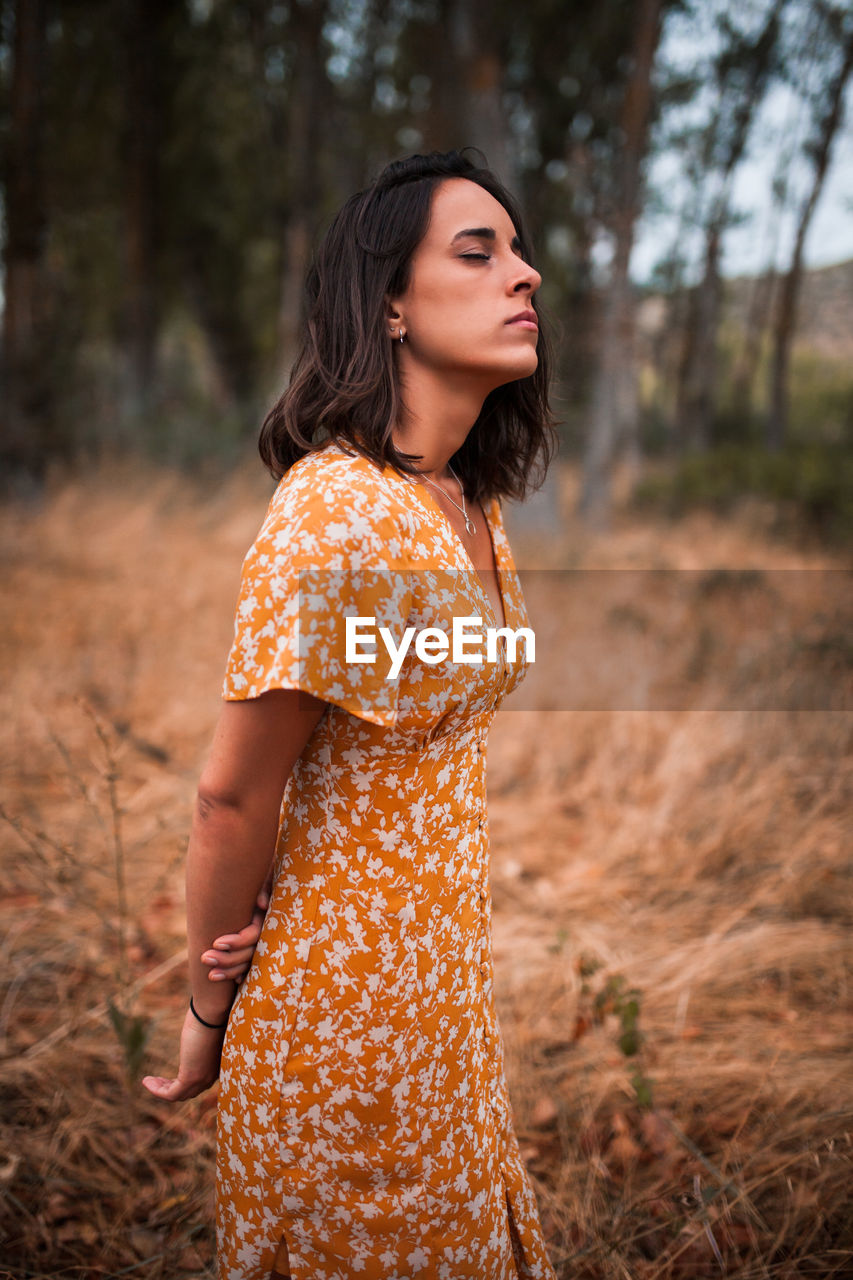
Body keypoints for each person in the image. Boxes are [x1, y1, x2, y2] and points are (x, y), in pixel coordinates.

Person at [143, 149, 557, 1280]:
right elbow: (232, 794)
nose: (525, 275)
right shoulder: (334, 512)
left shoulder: (461, 497)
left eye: (520, 250)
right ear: (387, 303)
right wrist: (204, 1009)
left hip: (444, 1014)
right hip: (342, 1033)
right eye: (478, 252)